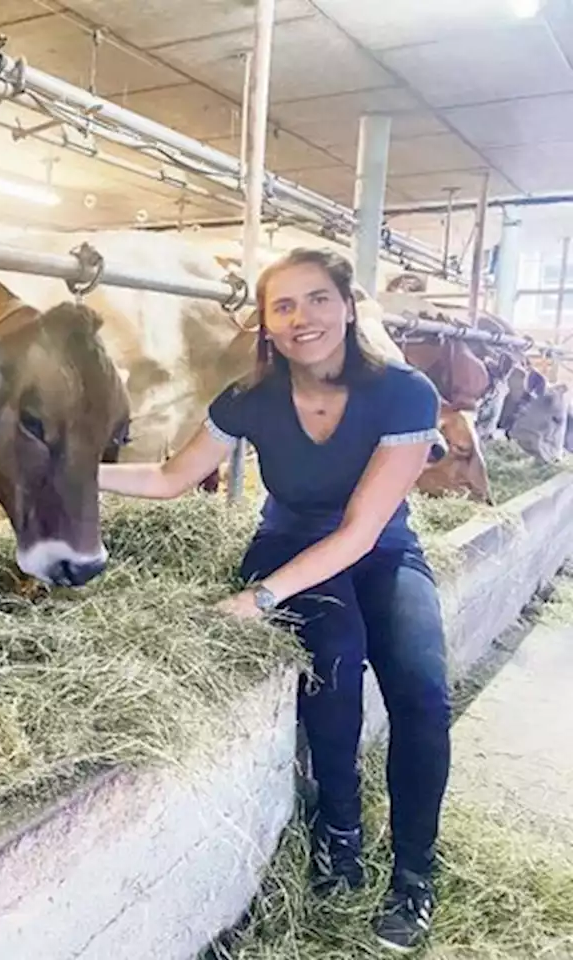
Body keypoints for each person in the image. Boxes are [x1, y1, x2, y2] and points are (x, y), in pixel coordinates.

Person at [99, 248, 450, 953]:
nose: (302, 318)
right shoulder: (249, 399)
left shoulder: (406, 394)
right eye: (282, 306)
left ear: (349, 306)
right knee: (335, 657)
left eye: (318, 299)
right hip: (287, 548)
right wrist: (62, 475)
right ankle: (340, 832)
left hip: (377, 551)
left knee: (422, 692)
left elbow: (358, 533)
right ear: (264, 321)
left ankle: (414, 870)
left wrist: (258, 600)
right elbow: (172, 479)